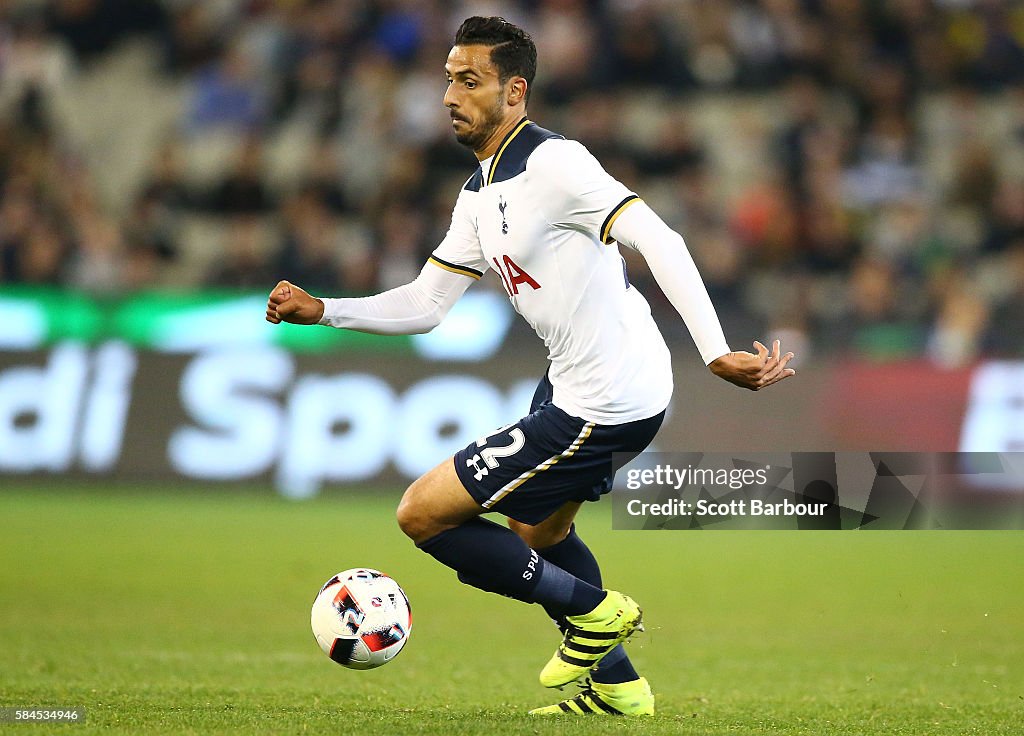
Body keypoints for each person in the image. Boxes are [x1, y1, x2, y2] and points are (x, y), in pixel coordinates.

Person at [265, 16, 795, 717]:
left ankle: (595, 612)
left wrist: (714, 348)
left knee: (422, 514)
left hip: (606, 398)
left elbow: (657, 235)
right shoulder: (480, 193)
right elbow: (427, 305)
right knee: (539, 532)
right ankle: (618, 689)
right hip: (579, 379)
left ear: (515, 92)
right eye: (448, 78)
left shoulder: (556, 164)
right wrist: (326, 310)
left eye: (470, 80)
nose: (450, 94)